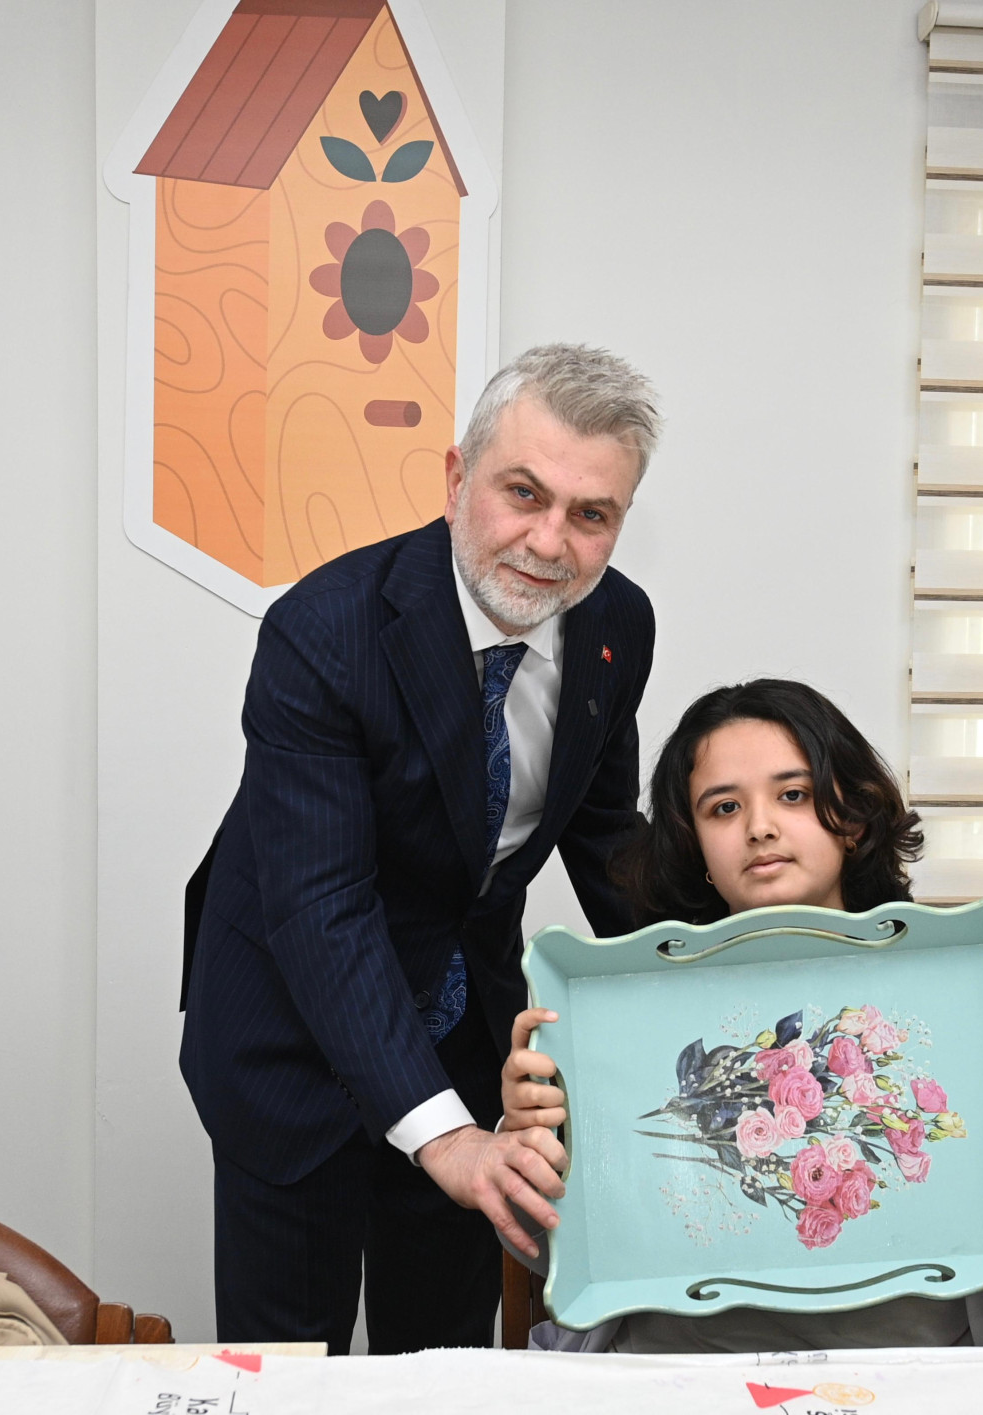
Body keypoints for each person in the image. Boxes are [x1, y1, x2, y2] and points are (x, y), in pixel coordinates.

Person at [179, 344, 659, 1354]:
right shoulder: (323, 630)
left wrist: (743, 975)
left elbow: (609, 838)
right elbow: (322, 909)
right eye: (522, 493)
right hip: (290, 1031)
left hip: (465, 1027)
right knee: (290, 1363)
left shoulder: (617, 623)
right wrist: (443, 1137)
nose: (548, 541)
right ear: (455, 477)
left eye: (590, 514)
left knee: (443, 1355)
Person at [501, 678, 983, 1353]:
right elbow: (549, 1252)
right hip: (671, 1367)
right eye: (724, 807)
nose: (759, 827)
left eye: (793, 794)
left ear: (853, 817)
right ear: (695, 846)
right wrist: (527, 1147)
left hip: (915, 1368)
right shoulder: (624, 1008)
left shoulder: (961, 985)